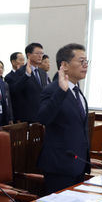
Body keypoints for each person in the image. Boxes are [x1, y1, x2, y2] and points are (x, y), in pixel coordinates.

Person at [36, 43, 91, 194]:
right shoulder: (53, 90)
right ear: (65, 65)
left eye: (86, 61)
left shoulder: (77, 90)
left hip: (78, 163)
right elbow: (43, 118)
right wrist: (61, 92)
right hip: (60, 165)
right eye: (81, 61)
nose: (85, 65)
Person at [7, 42, 47, 123]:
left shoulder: (42, 72)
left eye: (42, 53)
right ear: (29, 55)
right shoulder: (20, 72)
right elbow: (14, 91)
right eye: (37, 53)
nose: (40, 56)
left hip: (42, 116)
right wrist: (27, 75)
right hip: (27, 118)